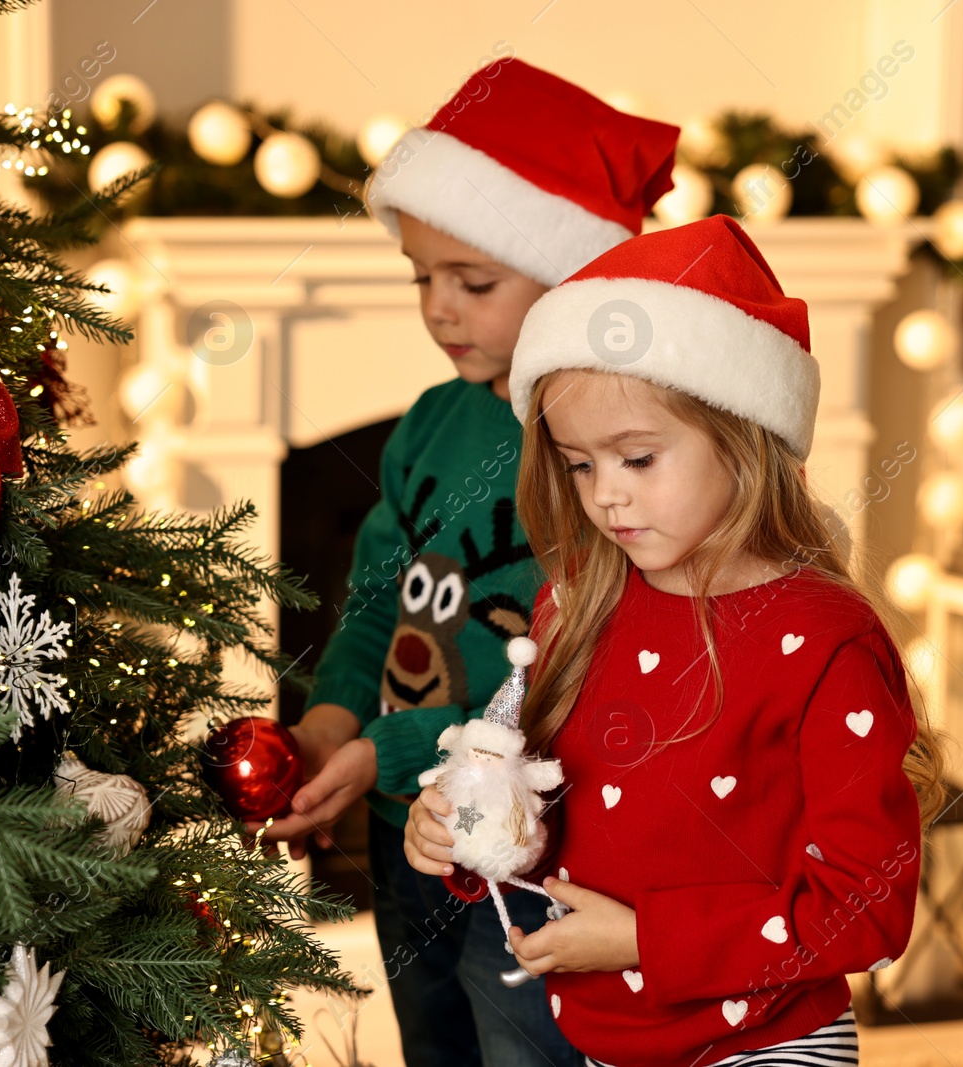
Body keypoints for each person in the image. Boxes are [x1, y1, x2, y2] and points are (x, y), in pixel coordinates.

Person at [403, 215, 948, 1067]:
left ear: (744, 438)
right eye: (580, 465)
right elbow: (537, 809)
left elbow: (866, 908)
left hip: (770, 1040)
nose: (605, 497)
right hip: (606, 1039)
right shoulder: (575, 603)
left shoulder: (825, 641)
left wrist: (643, 940)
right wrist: (454, 830)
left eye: (638, 458)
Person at [252, 58, 679, 1067]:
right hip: (410, 838)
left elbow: (566, 697)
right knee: (430, 1039)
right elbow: (373, 605)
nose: (438, 308)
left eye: (472, 281)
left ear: (573, 275)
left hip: (526, 849)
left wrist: (382, 757)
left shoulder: (595, 456)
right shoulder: (428, 426)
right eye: (422, 278)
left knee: (521, 1045)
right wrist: (324, 729)